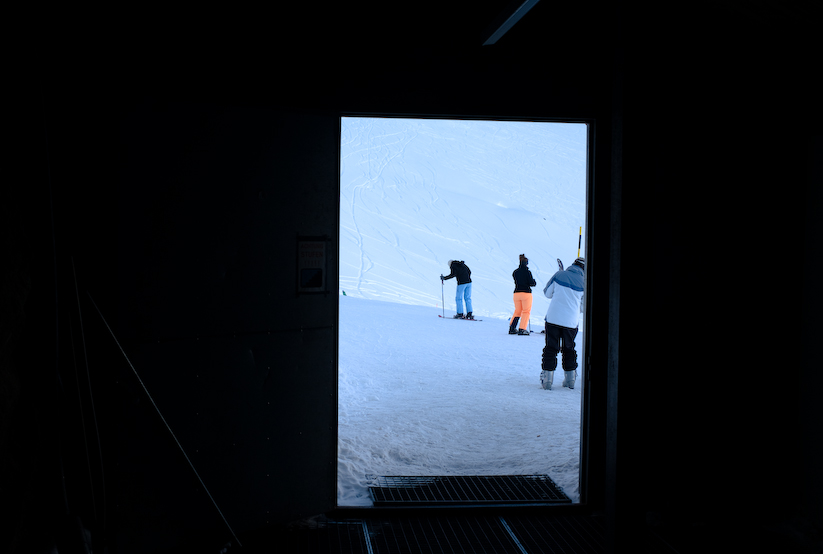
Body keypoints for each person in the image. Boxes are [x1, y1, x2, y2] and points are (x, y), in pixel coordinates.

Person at [540, 257, 585, 390]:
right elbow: (583, 307)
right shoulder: (585, 283)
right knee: (569, 348)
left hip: (553, 318)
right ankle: (570, 379)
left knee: (551, 348)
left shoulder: (559, 275)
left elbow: (547, 293)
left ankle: (547, 380)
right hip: (571, 321)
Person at [509, 254, 536, 335]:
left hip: (516, 293)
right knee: (526, 311)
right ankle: (522, 328)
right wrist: (533, 281)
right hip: (526, 293)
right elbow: (532, 283)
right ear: (526, 263)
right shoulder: (528, 272)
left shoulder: (515, 272)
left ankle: (512, 327)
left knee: (517, 311)